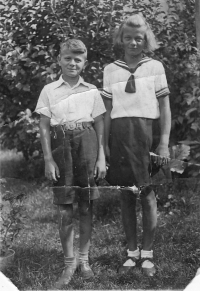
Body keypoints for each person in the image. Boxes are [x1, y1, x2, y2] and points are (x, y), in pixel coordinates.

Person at [102, 14, 171, 277]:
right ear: (121, 38)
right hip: (119, 137)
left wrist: (163, 143)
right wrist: (103, 145)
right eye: (128, 38)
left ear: (146, 40)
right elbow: (107, 111)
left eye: (138, 38)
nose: (133, 43)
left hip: (147, 135)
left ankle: (148, 254)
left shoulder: (155, 67)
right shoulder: (111, 70)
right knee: (126, 194)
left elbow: (164, 108)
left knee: (148, 194)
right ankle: (131, 254)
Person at [35, 39, 106, 288]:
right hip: (60, 145)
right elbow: (44, 125)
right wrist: (48, 158)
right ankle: (68, 262)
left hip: (86, 144)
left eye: (78, 59)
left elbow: (99, 123)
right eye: (68, 58)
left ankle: (84, 260)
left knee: (86, 206)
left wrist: (101, 157)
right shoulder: (49, 90)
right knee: (65, 208)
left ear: (84, 63)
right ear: (59, 60)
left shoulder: (92, 89)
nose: (72, 63)